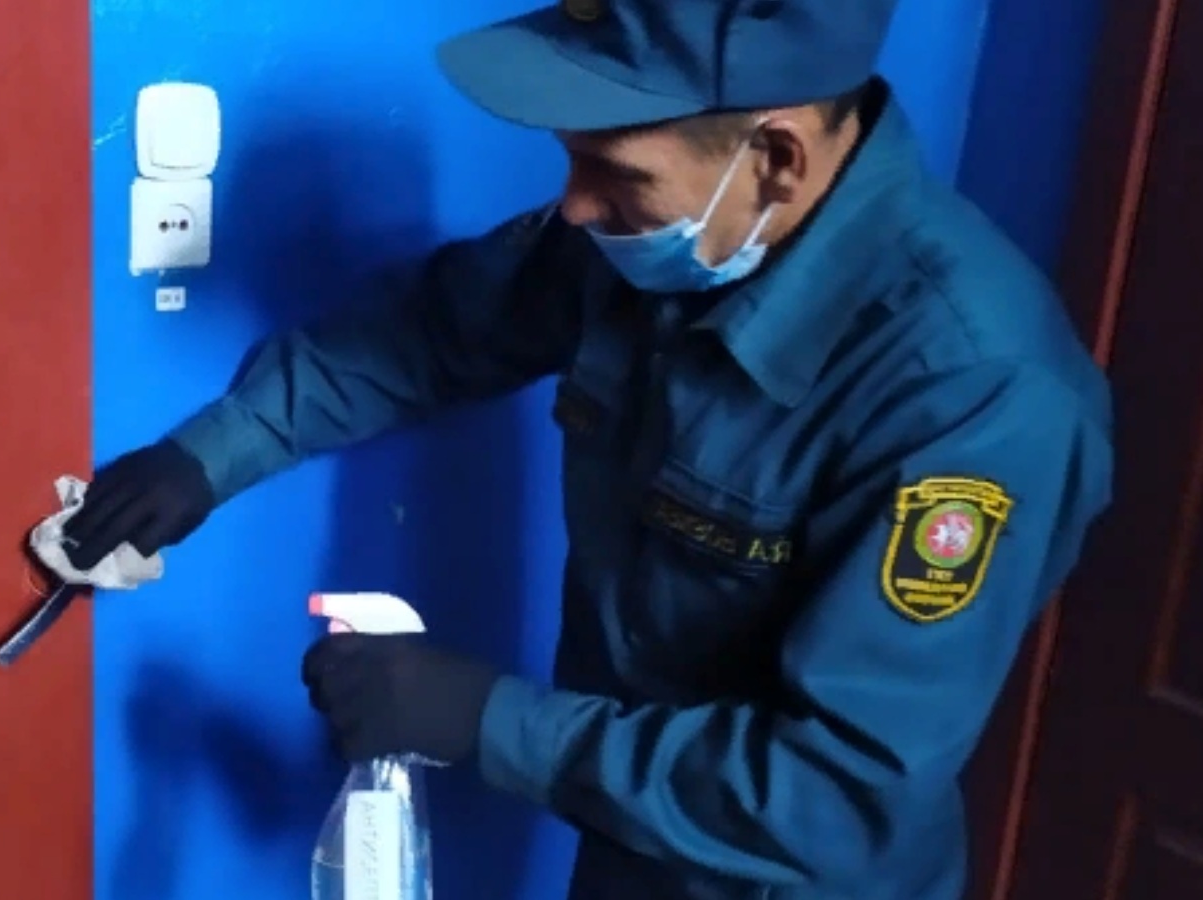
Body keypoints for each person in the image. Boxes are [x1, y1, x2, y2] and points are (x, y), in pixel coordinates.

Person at [63, 0, 1115, 896]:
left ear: (777, 159)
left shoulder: (974, 397)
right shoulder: (673, 238)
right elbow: (430, 334)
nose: (573, 206)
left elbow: (837, 795)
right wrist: (207, 457)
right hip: (625, 844)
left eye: (613, 169)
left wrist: (485, 719)